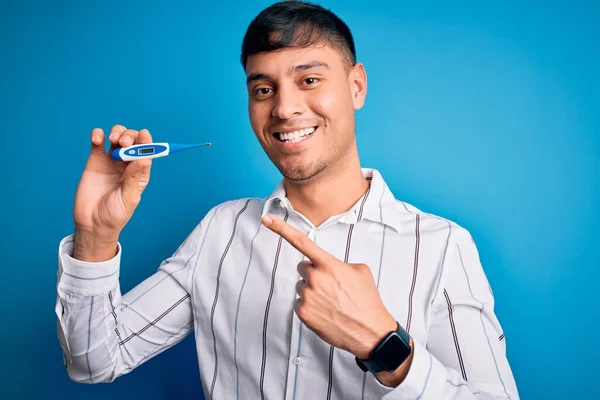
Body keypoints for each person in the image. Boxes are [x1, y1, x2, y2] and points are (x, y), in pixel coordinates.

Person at [55, 1, 520, 399]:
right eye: (263, 89)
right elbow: (94, 361)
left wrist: (387, 348)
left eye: (310, 80)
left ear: (356, 86)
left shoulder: (441, 247)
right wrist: (95, 238)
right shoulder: (221, 231)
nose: (283, 107)